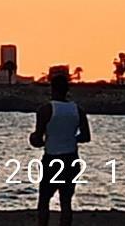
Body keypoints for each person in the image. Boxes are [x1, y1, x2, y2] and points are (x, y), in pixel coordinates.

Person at [30, 68, 92, 226]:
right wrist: (70, 138)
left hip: (52, 158)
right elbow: (86, 136)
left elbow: (37, 139)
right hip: (71, 158)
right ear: (67, 90)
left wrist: (36, 138)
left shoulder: (46, 110)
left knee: (44, 199)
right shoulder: (78, 110)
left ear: (52, 89)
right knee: (66, 201)